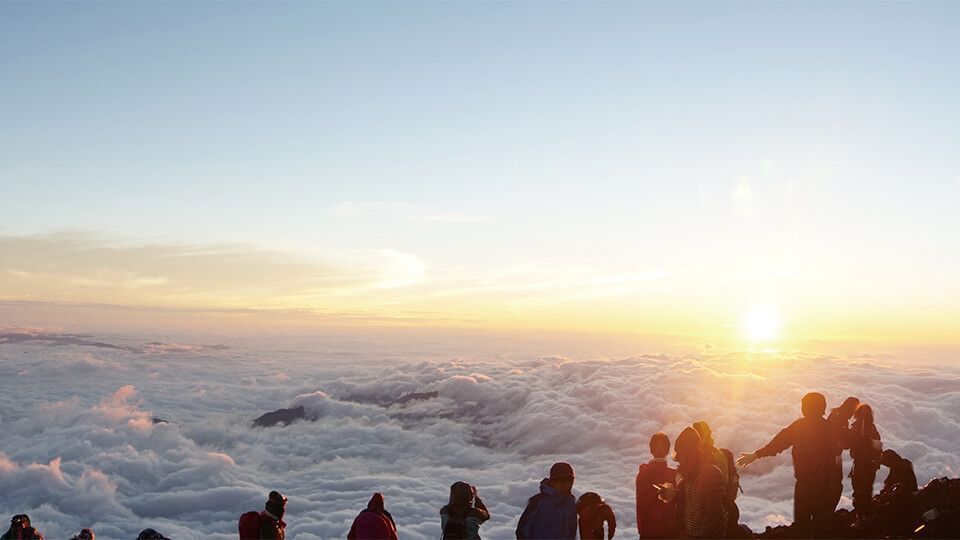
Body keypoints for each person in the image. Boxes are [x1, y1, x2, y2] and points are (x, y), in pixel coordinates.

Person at [738, 392, 841, 538]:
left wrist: (755, 455)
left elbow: (777, 444)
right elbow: (851, 441)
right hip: (825, 485)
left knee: (802, 526)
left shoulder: (799, 427)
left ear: (806, 408)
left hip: (804, 485)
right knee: (821, 525)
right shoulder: (830, 427)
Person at [659, 427, 727, 538]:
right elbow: (687, 500)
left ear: (690, 454)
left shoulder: (710, 472)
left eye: (681, 456)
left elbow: (714, 511)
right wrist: (670, 494)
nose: (679, 460)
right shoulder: (688, 475)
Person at [692, 420, 741, 535]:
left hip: (714, 513)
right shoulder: (700, 455)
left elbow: (721, 485)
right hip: (717, 512)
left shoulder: (713, 456)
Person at [516, 462, 578, 540]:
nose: (567, 484)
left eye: (570, 480)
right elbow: (522, 531)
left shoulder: (571, 503)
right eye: (562, 481)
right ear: (553, 482)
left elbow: (572, 531)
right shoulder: (538, 501)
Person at [635, 432, 677, 538]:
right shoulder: (674, 475)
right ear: (668, 450)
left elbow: (640, 505)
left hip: (648, 531)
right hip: (670, 532)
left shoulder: (643, 474)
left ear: (651, 450)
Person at [849, 404, 882, 520]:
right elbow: (878, 445)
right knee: (867, 490)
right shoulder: (872, 428)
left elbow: (851, 443)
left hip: (860, 464)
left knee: (859, 491)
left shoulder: (856, 427)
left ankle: (861, 516)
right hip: (871, 465)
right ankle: (867, 515)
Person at [826, 397, 859, 510]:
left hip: (829, 455)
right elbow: (839, 441)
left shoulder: (836, 415)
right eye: (854, 410)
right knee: (835, 486)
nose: (854, 414)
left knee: (832, 486)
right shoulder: (840, 419)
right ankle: (828, 512)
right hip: (832, 456)